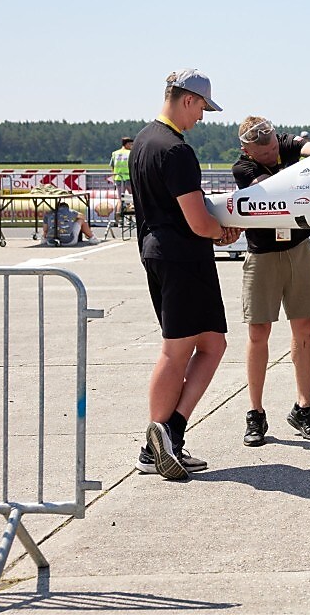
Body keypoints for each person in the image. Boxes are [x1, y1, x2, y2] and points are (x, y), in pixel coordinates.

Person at [129, 69, 240, 480]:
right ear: (188, 99)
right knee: (176, 351)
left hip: (161, 253)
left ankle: (169, 434)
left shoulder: (142, 141)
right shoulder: (175, 150)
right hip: (181, 257)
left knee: (212, 343)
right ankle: (153, 445)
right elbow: (197, 220)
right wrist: (225, 231)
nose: (203, 118)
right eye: (203, 109)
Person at [232, 117, 310, 446]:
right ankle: (255, 414)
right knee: (258, 332)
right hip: (262, 255)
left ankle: (304, 408)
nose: (274, 152)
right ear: (247, 150)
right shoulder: (243, 169)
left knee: (304, 327)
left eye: (276, 145)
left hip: (298, 249)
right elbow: (275, 193)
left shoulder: (284, 145)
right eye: (265, 151)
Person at [110, 136, 133, 220]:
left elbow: (112, 166)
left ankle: (118, 220)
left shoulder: (115, 153)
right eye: (130, 144)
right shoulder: (130, 153)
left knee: (120, 199)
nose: (131, 146)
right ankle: (130, 220)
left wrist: (114, 175)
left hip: (118, 178)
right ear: (126, 144)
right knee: (131, 199)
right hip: (128, 178)